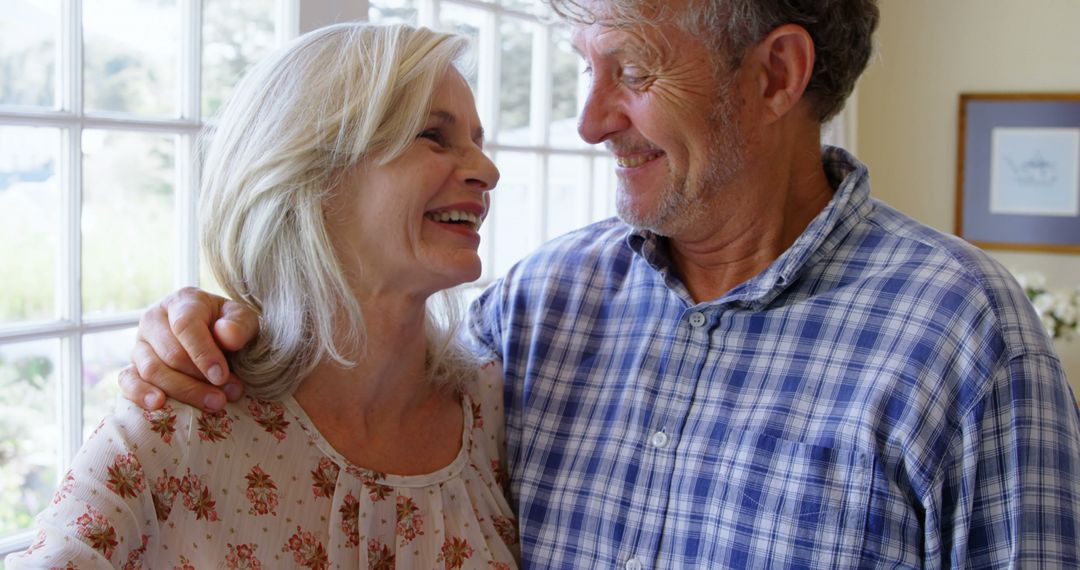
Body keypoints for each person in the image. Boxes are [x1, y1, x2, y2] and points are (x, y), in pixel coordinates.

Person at [120, 0, 1080, 567]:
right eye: (587, 68)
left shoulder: (967, 340)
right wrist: (212, 322)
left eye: (633, 68)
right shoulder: (539, 306)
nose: (588, 121)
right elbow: (361, 387)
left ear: (777, 74)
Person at [6, 22, 520, 570]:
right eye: (434, 136)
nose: (487, 170)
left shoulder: (498, 414)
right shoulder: (175, 429)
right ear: (312, 175)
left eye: (477, 142)